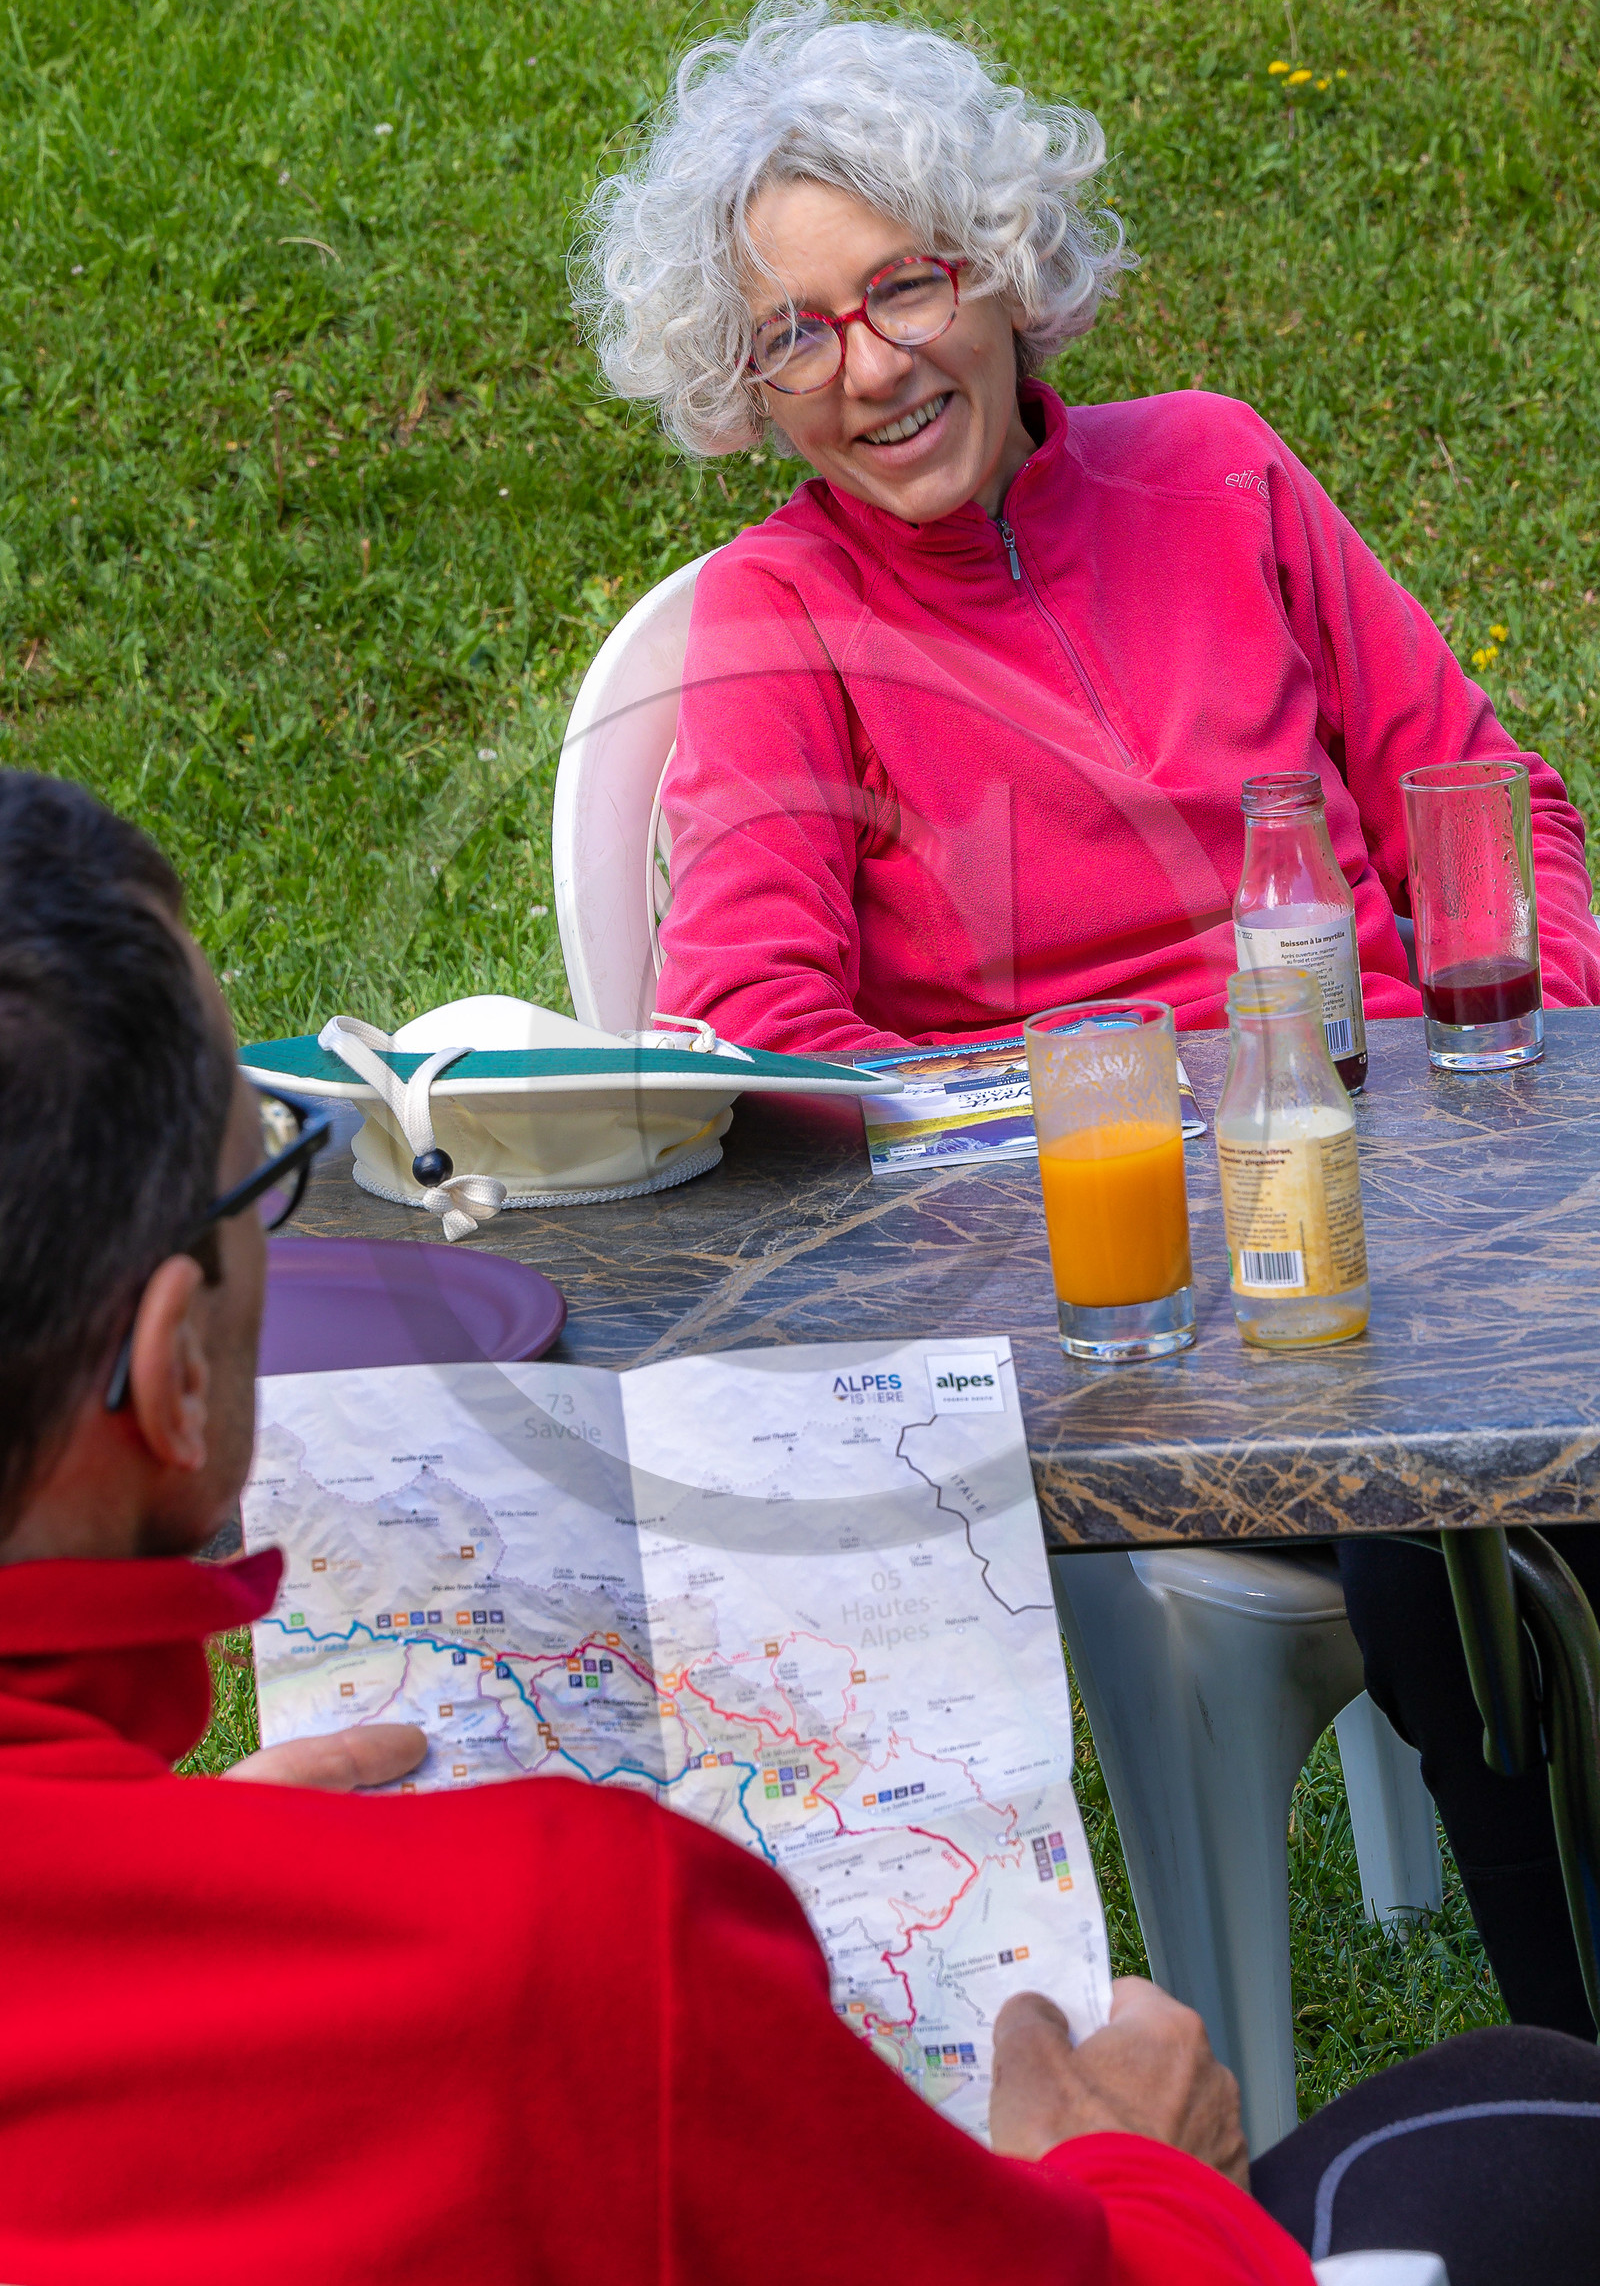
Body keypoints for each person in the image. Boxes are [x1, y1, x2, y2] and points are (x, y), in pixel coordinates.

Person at [4, 770, 1600, 2286]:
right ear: (173, 1377)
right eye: (269, 1180)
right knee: (1523, 2132)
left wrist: (191, 1883)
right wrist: (1135, 2168)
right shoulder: (556, 1952)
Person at [575, 0, 1600, 2045]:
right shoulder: (779, 625)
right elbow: (760, 1046)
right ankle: (1565, 2064)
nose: (865, 364)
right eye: (796, 330)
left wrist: (1519, 1097)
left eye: (902, 287)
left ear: (1001, 277)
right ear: (745, 383)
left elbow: (1493, 819)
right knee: (1451, 1545)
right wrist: (1116, 1122)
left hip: (1443, 1208)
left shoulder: (1213, 469)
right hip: (1125, 1298)